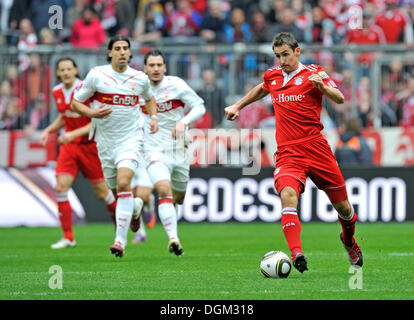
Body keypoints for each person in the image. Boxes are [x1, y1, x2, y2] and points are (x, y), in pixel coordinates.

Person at [225, 32, 363, 273]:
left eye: (286, 54)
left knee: (344, 209)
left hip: (317, 150)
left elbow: (339, 98)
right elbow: (262, 88)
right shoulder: (273, 76)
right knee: (288, 194)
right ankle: (296, 253)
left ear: (297, 51)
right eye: (278, 56)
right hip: (289, 154)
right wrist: (238, 105)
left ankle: (348, 240)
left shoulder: (314, 73)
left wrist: (324, 89)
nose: (282, 60)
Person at [71, 35, 158, 258]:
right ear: (110, 52)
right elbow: (75, 102)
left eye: (125, 48)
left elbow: (149, 98)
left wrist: (154, 117)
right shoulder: (97, 75)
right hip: (104, 142)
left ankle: (120, 241)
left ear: (130, 53)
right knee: (115, 188)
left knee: (122, 183)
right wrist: (92, 113)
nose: (122, 52)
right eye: (117, 48)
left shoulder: (139, 78)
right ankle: (134, 212)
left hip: (130, 139)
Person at [39, 56, 118, 249]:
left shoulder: (85, 89)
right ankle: (68, 237)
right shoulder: (56, 91)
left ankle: (121, 228)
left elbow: (96, 120)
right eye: (62, 69)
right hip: (70, 146)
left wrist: (72, 133)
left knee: (103, 193)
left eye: (69, 69)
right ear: (58, 73)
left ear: (75, 70)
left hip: (90, 146)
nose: (65, 72)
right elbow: (65, 116)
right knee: (60, 187)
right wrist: (48, 130)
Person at [133, 49, 206, 255]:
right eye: (152, 65)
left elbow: (199, 106)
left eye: (159, 65)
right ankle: (174, 239)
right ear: (145, 68)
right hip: (153, 148)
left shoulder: (176, 85)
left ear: (164, 67)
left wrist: (183, 122)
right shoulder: (138, 90)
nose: (156, 69)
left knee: (178, 197)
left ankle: (152, 213)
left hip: (178, 149)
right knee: (164, 190)